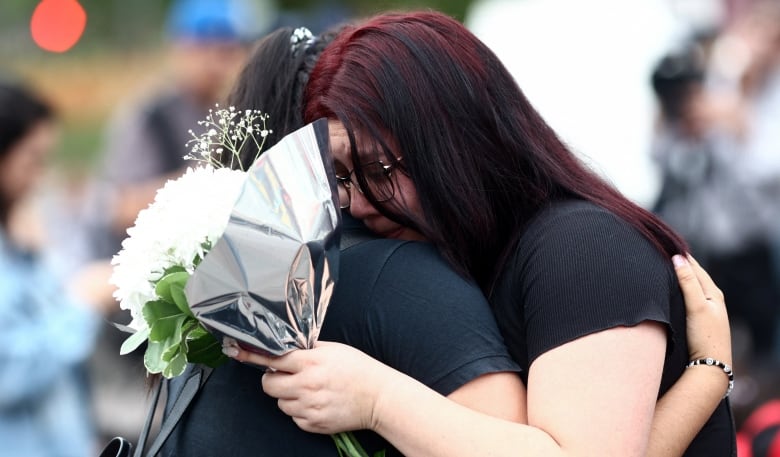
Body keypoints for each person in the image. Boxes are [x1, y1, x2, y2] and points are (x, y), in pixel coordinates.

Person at [228, 12, 736, 456]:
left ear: (458, 141)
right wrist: (705, 378)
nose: (359, 202)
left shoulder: (582, 248)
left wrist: (376, 400)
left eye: (380, 170)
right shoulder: (477, 247)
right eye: (340, 177)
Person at [158, 27, 524, 457]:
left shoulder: (216, 292)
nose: (365, 201)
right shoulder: (403, 276)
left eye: (380, 171)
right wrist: (378, 403)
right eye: (353, 172)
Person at [0, 81, 110, 456]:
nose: (40, 175)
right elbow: (9, 374)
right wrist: (81, 303)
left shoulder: (24, 235)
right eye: (32, 159)